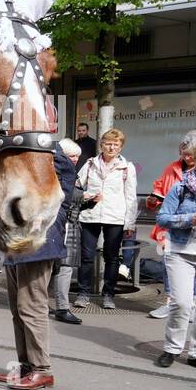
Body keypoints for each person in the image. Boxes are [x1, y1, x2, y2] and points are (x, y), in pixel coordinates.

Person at [0, 144, 77, 390]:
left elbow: (66, 178)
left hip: (38, 241)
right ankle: (26, 365)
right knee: (17, 308)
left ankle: (42, 369)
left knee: (30, 307)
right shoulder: (17, 152)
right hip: (15, 240)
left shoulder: (47, 151)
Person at [154, 140, 196, 372]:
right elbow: (162, 218)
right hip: (181, 252)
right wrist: (188, 219)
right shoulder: (181, 187)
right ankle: (171, 348)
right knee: (181, 303)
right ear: (194, 161)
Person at [74, 128, 137, 310]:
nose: (111, 147)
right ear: (101, 144)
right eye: (108, 143)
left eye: (115, 144)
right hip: (90, 215)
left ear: (121, 147)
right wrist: (87, 195)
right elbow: (77, 187)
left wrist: (130, 222)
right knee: (86, 257)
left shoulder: (127, 167)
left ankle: (108, 294)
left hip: (114, 217)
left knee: (112, 258)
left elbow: (131, 196)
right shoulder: (90, 163)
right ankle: (83, 293)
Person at [146, 129, 196, 319]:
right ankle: (171, 302)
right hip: (171, 225)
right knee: (168, 265)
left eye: (191, 154)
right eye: (184, 154)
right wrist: (153, 199)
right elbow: (160, 187)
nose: (187, 158)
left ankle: (193, 304)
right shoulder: (172, 167)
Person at [50, 139, 83, 324]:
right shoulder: (59, 170)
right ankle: (62, 308)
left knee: (61, 267)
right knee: (62, 267)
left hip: (67, 223)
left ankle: (53, 305)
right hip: (61, 223)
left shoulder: (63, 169)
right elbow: (66, 197)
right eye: (72, 156)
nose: (76, 159)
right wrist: (83, 196)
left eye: (78, 156)